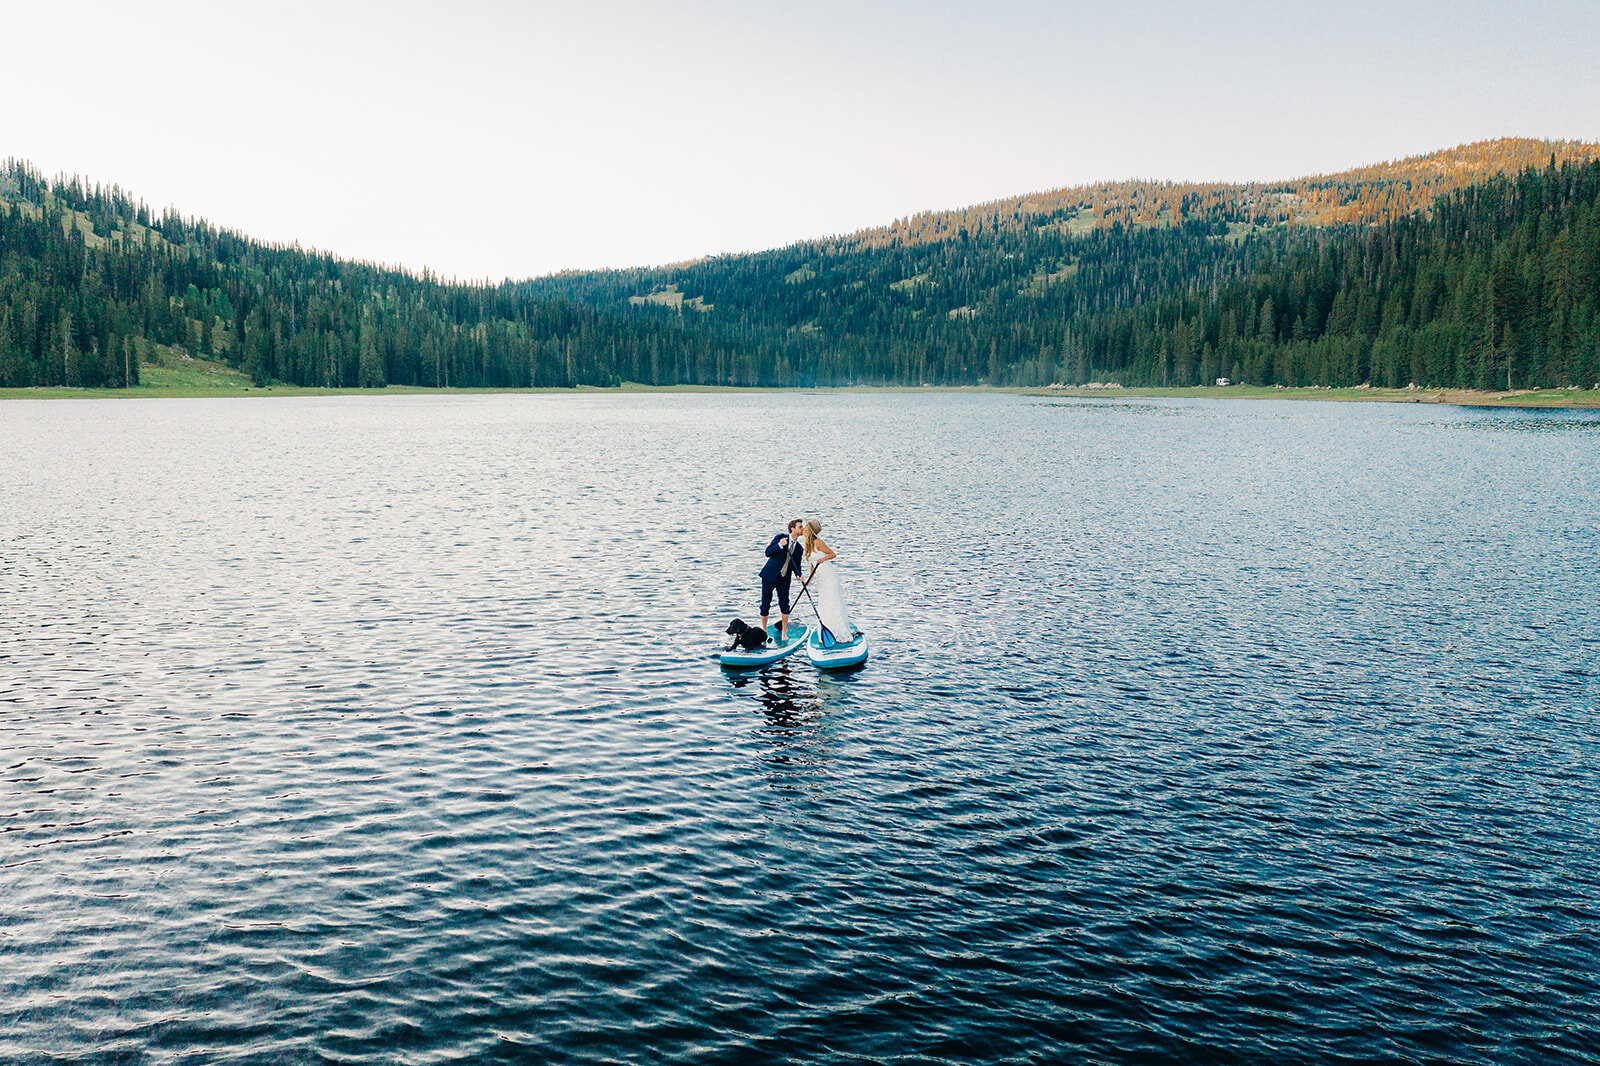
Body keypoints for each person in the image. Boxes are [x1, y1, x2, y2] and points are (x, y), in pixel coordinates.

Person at [801, 518, 854, 645]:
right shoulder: (808, 544)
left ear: (810, 530)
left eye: (806, 528)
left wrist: (823, 558)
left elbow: (832, 554)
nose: (803, 530)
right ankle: (826, 633)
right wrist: (808, 582)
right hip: (821, 580)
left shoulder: (818, 542)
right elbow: (812, 565)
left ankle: (839, 633)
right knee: (824, 605)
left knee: (832, 603)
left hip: (829, 577)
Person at [759, 518, 805, 640]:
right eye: (800, 527)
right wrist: (780, 545)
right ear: (792, 528)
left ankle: (784, 633)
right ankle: (764, 631)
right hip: (769, 576)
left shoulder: (799, 548)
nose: (802, 529)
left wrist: (799, 574)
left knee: (785, 604)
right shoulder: (780, 537)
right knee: (765, 603)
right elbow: (767, 552)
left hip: (784, 578)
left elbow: (797, 565)